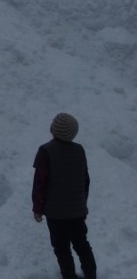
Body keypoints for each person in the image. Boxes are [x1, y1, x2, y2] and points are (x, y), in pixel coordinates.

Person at [32, 113, 97, 279]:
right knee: (81, 244)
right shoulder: (79, 150)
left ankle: (69, 276)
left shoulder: (45, 151)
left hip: (56, 213)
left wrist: (37, 208)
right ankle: (91, 274)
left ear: (53, 129)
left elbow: (40, 183)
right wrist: (81, 203)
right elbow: (85, 180)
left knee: (62, 248)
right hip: (77, 211)